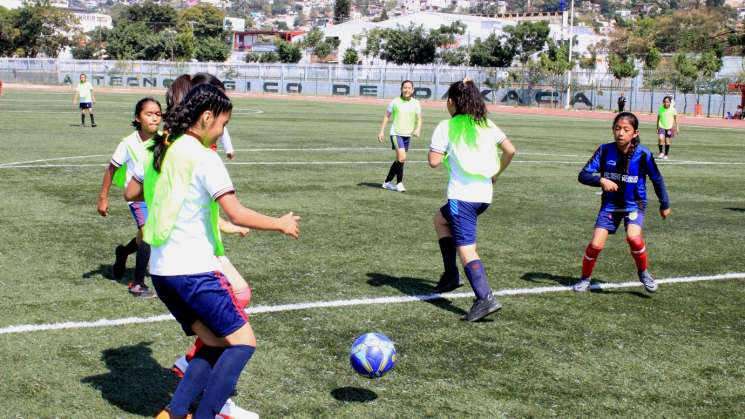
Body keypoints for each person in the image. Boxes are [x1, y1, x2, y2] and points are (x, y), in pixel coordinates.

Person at [125, 83, 299, 419]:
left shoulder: (164, 147)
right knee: (244, 342)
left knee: (216, 343)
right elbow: (236, 211)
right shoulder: (204, 157)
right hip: (193, 272)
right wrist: (279, 223)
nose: (222, 132)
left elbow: (133, 192)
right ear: (206, 117)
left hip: (162, 273)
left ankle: (174, 413)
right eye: (223, 124)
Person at [428, 79, 516, 322]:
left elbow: (434, 162)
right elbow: (510, 150)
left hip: (462, 196)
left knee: (466, 248)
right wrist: (495, 174)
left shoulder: (447, 126)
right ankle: (450, 276)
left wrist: (445, 152)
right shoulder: (485, 123)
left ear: (453, 102)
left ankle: (484, 296)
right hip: (484, 196)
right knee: (440, 220)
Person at [573, 112, 671, 293]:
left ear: (635, 133)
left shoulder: (643, 154)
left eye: (626, 129)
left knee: (633, 238)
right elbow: (583, 175)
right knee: (596, 245)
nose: (620, 133)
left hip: (634, 204)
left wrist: (664, 203)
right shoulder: (604, 150)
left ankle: (643, 273)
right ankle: (585, 278)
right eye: (617, 128)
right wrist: (600, 180)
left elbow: (657, 179)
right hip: (610, 205)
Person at [97, 97, 162, 298]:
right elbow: (111, 169)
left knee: (146, 235)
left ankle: (123, 253)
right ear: (137, 117)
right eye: (149, 114)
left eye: (158, 114)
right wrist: (103, 198)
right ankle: (138, 284)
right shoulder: (128, 143)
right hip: (136, 198)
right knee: (148, 234)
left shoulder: (163, 140)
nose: (154, 118)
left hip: (157, 197)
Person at [377, 80, 422, 192]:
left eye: (409, 88)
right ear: (401, 89)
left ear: (413, 90)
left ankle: (387, 182)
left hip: (407, 135)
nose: (407, 90)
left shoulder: (416, 103)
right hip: (396, 133)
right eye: (405, 87)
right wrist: (381, 131)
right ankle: (399, 183)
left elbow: (420, 118)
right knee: (402, 158)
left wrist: (418, 129)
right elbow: (387, 116)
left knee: (399, 159)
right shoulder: (395, 101)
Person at [656, 96, 679, 160]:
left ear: (670, 102)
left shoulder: (673, 109)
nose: (666, 103)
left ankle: (666, 155)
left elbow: (676, 119)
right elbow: (658, 118)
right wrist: (657, 127)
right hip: (661, 126)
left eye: (667, 102)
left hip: (669, 127)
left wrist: (677, 127)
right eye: (664, 102)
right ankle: (661, 153)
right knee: (660, 139)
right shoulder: (660, 108)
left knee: (667, 141)